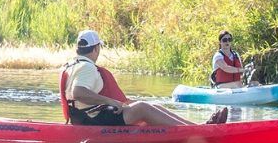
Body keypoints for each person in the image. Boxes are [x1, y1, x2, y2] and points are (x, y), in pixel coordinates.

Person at [62, 30, 226, 126]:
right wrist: (110, 102)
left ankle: (196, 127)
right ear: (96, 49)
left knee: (148, 104)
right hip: (92, 120)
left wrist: (114, 102)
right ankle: (195, 130)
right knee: (142, 108)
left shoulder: (73, 65)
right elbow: (78, 92)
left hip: (86, 117)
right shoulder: (87, 67)